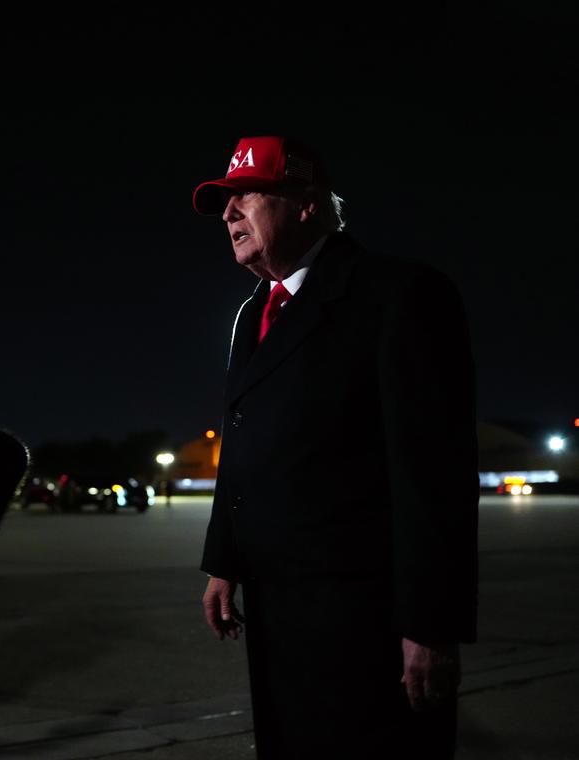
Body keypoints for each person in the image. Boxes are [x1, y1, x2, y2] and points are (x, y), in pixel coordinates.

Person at [192, 136, 478, 759]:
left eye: (248, 196)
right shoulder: (252, 315)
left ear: (307, 205)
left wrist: (430, 625)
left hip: (364, 615)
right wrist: (224, 561)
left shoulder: (397, 294)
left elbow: (434, 471)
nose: (229, 213)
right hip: (275, 607)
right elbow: (241, 440)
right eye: (225, 202)